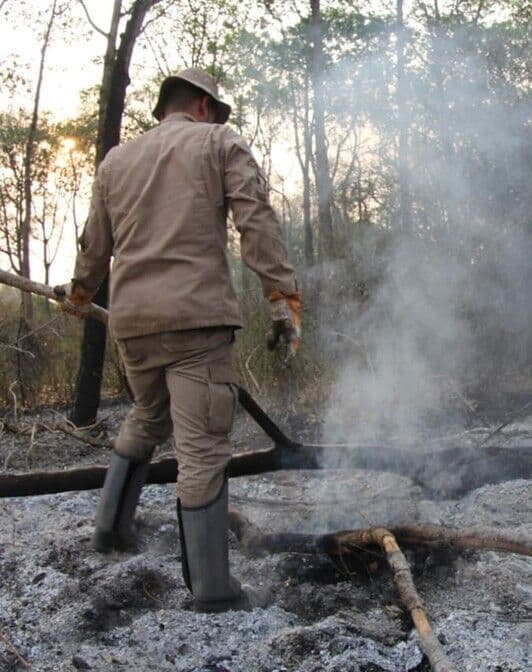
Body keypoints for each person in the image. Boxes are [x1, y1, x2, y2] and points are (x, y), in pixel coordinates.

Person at [57, 68, 302, 612]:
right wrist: (282, 297)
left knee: (147, 415)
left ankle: (109, 532)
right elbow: (255, 220)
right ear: (203, 106)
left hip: (134, 324)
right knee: (202, 448)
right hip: (196, 323)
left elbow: (95, 243)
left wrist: (79, 295)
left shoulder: (116, 161)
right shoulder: (219, 142)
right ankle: (213, 589)